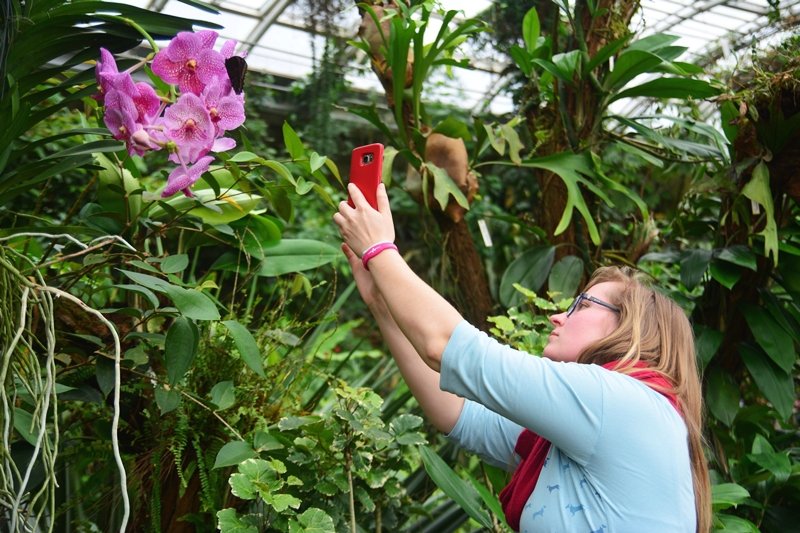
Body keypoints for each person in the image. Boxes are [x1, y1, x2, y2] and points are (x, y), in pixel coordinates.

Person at [333, 182, 711, 532]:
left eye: (582, 304)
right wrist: (383, 307)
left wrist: (379, 249)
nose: (558, 315)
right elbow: (459, 413)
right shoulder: (592, 424)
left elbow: (445, 343)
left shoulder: (620, 402)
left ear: (630, 327)